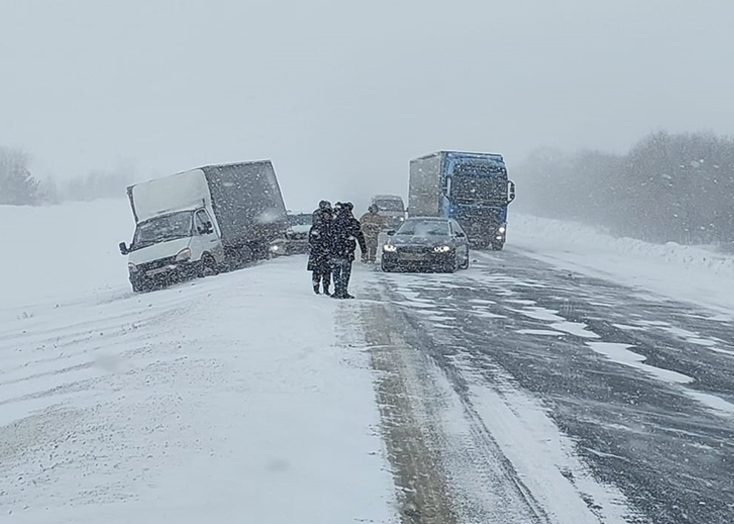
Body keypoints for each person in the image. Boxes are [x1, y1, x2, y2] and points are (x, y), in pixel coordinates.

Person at [329, 202, 366, 299]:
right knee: (345, 272)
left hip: (335, 251)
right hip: (347, 251)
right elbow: (360, 237)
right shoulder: (353, 222)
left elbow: (329, 237)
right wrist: (364, 250)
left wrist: (328, 248)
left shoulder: (335, 222)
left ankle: (337, 290)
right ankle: (343, 291)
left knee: (336, 271)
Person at [307, 205, 333, 295]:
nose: (327, 216)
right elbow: (311, 240)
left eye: (328, 215)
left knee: (327, 273)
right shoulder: (317, 226)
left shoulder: (332, 226)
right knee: (316, 273)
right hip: (317, 254)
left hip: (328, 254)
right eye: (325, 214)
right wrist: (319, 247)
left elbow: (335, 239)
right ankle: (316, 289)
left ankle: (326, 289)